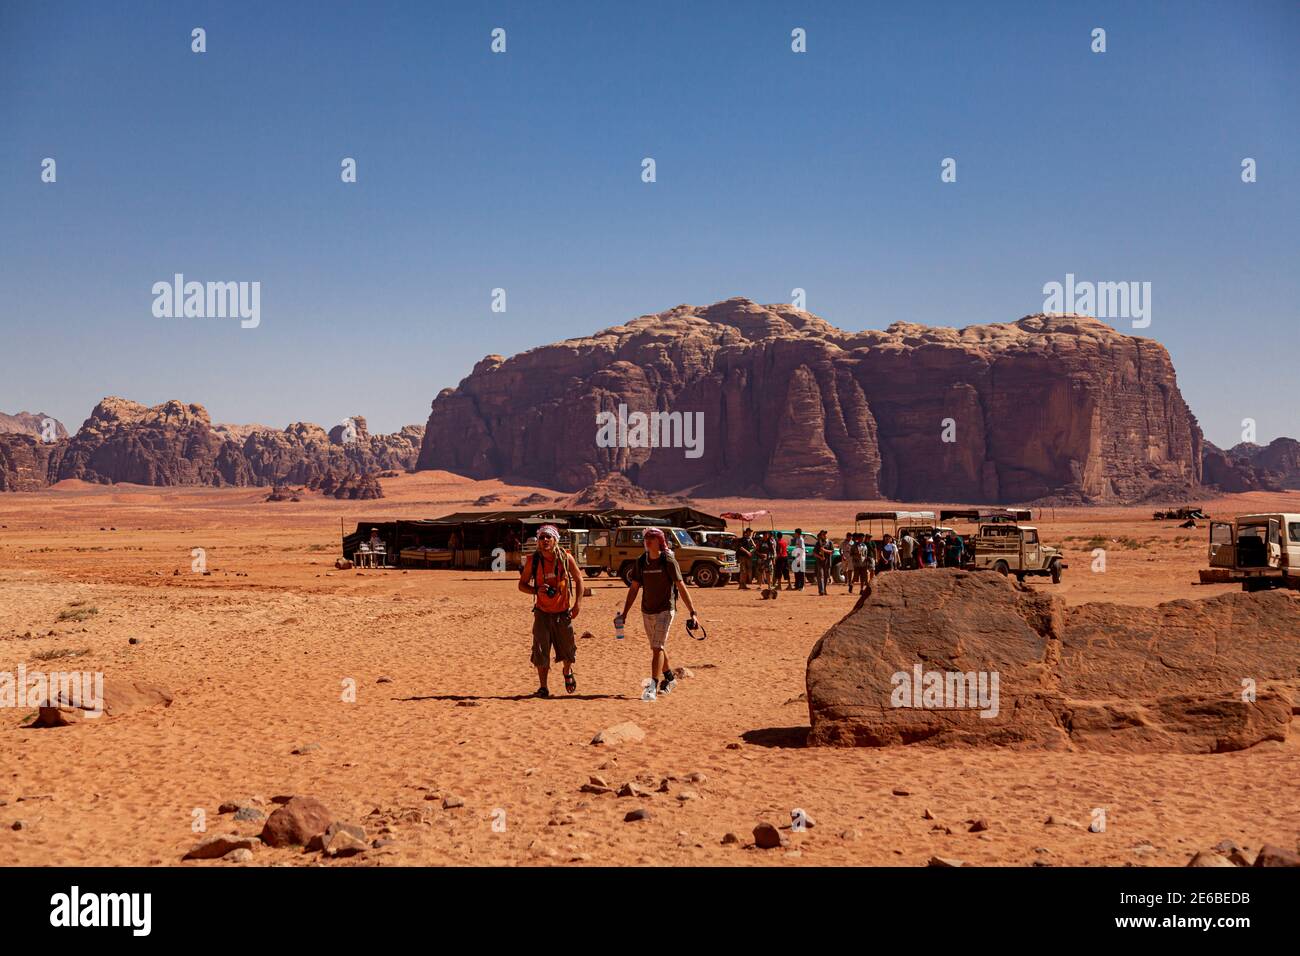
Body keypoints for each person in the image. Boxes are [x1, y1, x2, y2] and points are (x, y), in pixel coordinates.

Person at [621, 528, 700, 701]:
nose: (647, 540)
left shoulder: (668, 560)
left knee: (657, 648)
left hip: (666, 609)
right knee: (658, 648)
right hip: (647, 610)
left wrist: (693, 612)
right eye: (646, 537)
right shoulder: (641, 561)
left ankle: (652, 687)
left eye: (652, 537)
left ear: (660, 541)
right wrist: (624, 613)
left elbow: (680, 585)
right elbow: (634, 588)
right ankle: (670, 679)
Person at [517, 524, 582, 698]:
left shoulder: (565, 559)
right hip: (542, 613)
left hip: (562, 612)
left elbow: (579, 579)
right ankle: (543, 687)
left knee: (568, 650)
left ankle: (567, 672)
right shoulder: (533, 561)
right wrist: (535, 591)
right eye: (541, 538)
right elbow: (521, 585)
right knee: (540, 650)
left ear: (555, 540)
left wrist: (577, 605)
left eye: (548, 537)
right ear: (538, 541)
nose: (545, 540)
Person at [814, 531, 833, 595]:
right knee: (820, 576)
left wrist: (825, 550)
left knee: (826, 576)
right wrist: (820, 557)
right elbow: (814, 553)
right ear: (821, 535)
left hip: (827, 562)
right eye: (823, 534)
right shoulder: (818, 543)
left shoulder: (829, 543)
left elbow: (832, 552)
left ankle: (824, 589)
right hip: (820, 562)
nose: (825, 535)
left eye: (825, 534)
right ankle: (821, 590)